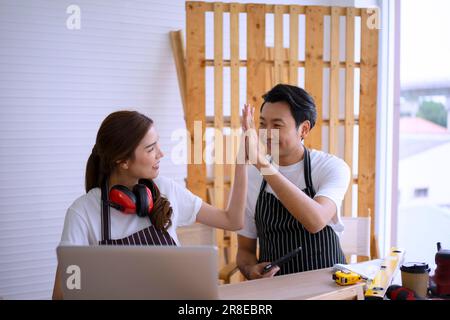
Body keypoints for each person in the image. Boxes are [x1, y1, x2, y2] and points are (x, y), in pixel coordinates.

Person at [52, 110, 248, 299]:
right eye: (150, 148)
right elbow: (62, 294)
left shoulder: (166, 189)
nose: (160, 153)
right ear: (122, 160)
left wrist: (242, 160)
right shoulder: (83, 212)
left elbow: (232, 220)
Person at [236, 84, 350, 280]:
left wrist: (262, 164)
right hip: (276, 291)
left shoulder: (331, 167)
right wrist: (250, 270)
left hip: (328, 287)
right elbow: (244, 251)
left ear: (303, 129)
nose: (266, 133)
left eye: (277, 125)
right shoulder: (251, 176)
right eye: (262, 124)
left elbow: (316, 221)